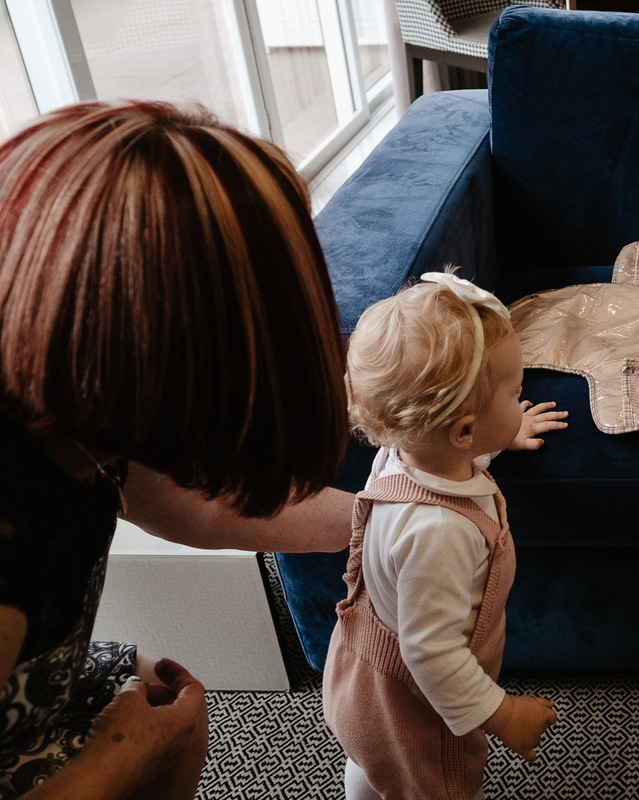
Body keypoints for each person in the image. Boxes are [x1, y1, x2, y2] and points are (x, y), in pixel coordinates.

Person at [0, 100, 359, 798]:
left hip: (33, 679)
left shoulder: (77, 413)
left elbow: (209, 510)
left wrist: (391, 515)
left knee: (170, 713)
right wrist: (118, 759)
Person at [323, 272, 567, 800]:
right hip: (416, 705)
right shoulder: (440, 532)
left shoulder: (405, 451)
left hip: (362, 676)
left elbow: (451, 453)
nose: (522, 399)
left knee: (376, 764)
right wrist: (502, 714)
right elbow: (432, 652)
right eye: (515, 394)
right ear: (462, 430)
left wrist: (501, 432)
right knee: (433, 783)